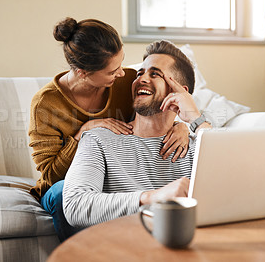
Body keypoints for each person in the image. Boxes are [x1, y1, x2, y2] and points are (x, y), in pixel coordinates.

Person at [28, 18, 191, 241]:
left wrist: (182, 125)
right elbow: (50, 173)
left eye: (122, 63)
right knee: (62, 193)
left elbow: (159, 105)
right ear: (83, 72)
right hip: (62, 181)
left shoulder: (124, 83)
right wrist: (82, 132)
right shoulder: (46, 104)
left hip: (108, 172)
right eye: (113, 71)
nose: (125, 74)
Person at [63, 40, 212, 228]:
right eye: (140, 73)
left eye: (155, 74)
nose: (140, 79)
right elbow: (74, 206)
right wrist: (152, 197)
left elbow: (236, 185)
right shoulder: (99, 139)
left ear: (180, 92)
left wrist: (195, 119)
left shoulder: (197, 146)